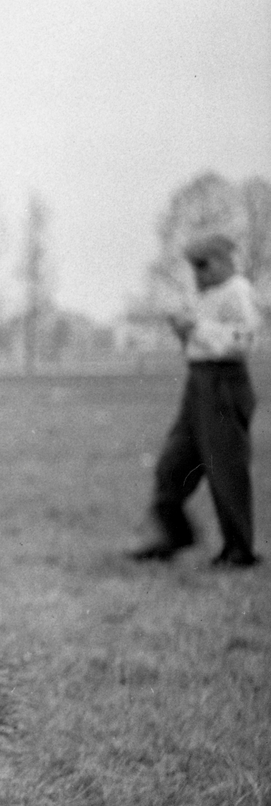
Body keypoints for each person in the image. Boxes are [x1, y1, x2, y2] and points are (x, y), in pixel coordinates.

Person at [130, 233, 262, 567]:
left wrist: (198, 327)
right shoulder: (205, 294)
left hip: (224, 382)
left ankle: (238, 550)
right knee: (173, 462)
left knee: (225, 467)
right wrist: (183, 330)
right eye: (193, 267)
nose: (198, 273)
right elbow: (199, 339)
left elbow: (242, 340)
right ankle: (169, 534)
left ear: (226, 260)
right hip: (198, 382)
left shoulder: (238, 290)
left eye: (203, 264)